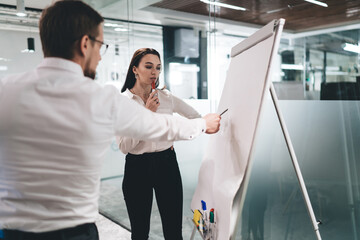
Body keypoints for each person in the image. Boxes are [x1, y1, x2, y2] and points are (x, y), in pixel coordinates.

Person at [0, 1, 221, 240]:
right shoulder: (101, 99)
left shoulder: (5, 91)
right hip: (75, 232)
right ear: (85, 44)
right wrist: (203, 124)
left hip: (15, 232)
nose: (100, 57)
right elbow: (161, 126)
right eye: (100, 46)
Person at [118, 48, 201, 240]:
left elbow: (195, 117)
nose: (154, 72)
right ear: (135, 70)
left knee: (173, 232)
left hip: (166, 163)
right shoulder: (122, 103)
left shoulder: (166, 98)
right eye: (148, 66)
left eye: (158, 67)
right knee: (140, 233)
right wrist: (147, 114)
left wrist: (173, 135)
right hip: (137, 167)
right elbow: (124, 146)